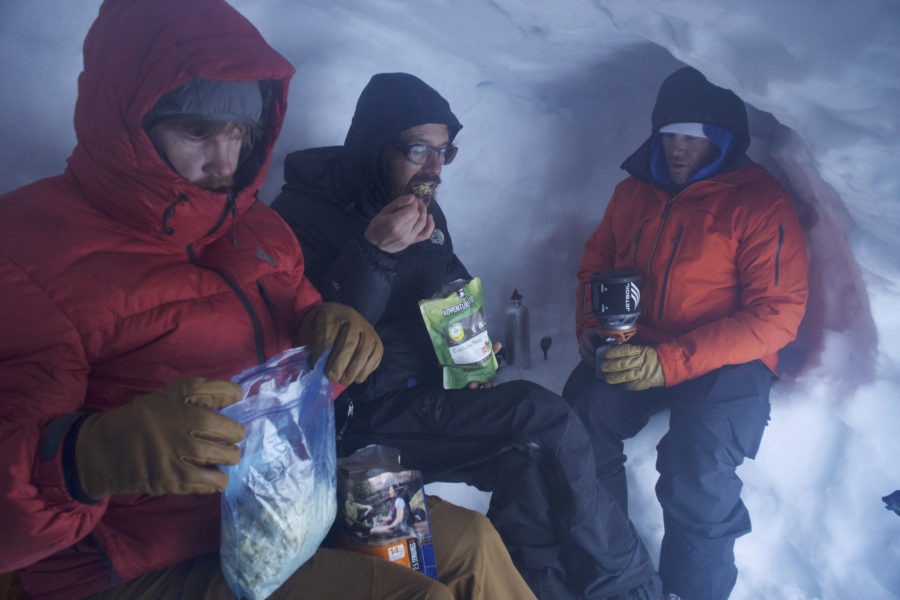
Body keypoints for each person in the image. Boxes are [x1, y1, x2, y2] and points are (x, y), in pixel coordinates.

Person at [0, 2, 533, 599]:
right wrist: (86, 457)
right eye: (197, 131)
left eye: (240, 134)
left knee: (469, 544)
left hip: (284, 508)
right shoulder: (27, 254)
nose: (225, 163)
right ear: (129, 119)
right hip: (141, 559)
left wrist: (332, 336)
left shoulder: (256, 229)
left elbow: (304, 375)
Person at [272, 72, 664, 600]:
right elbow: (326, 350)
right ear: (372, 145)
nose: (434, 169)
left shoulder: (425, 209)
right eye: (418, 150)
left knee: (525, 460)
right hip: (356, 419)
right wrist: (375, 252)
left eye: (444, 153)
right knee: (539, 414)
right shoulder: (296, 219)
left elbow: (449, 296)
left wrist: (475, 360)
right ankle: (633, 588)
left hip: (423, 397)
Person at [562, 66, 809, 600]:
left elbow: (777, 314)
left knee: (696, 468)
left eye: (694, 137)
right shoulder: (633, 193)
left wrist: (669, 363)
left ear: (723, 140)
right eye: (669, 134)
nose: (677, 148)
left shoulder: (759, 203)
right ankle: (614, 577)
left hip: (728, 358)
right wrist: (590, 327)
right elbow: (597, 263)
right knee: (578, 424)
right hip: (639, 344)